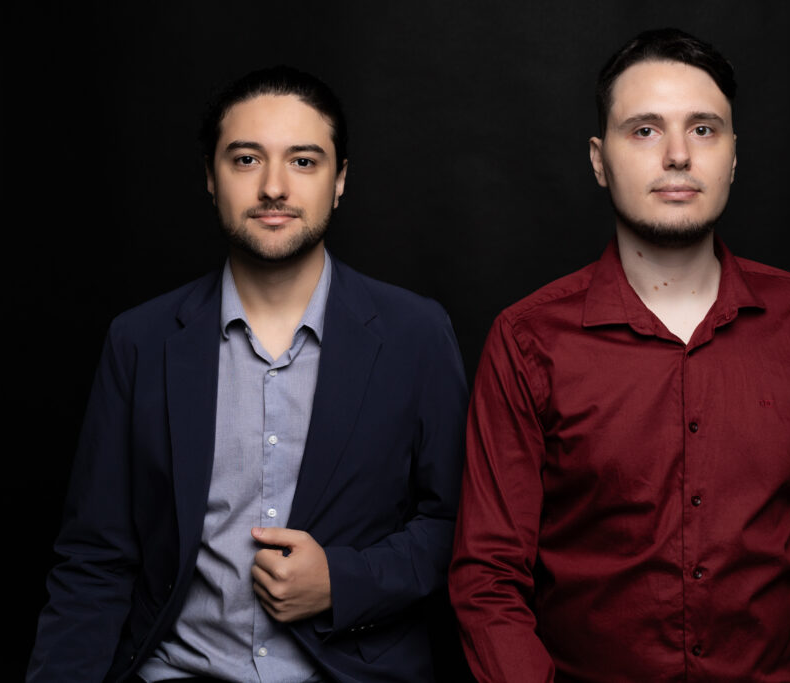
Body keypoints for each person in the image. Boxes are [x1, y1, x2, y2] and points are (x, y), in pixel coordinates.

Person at [449, 28, 790, 682]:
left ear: (733, 156)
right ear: (599, 161)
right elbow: (489, 577)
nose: (678, 155)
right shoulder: (527, 339)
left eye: (703, 130)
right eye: (645, 130)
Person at [28, 66, 468, 683]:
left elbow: (459, 527)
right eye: (245, 160)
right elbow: (94, 559)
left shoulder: (416, 334)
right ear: (211, 178)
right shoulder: (140, 341)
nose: (273, 187)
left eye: (304, 161)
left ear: (340, 180)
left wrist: (344, 580)